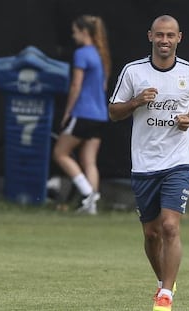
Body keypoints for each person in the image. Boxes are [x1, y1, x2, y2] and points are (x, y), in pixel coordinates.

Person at [109, 15, 189, 311]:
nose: (165, 40)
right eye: (160, 35)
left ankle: (166, 294)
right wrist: (137, 102)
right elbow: (114, 112)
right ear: (150, 36)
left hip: (179, 158)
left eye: (171, 35)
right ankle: (165, 280)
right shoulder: (133, 72)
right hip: (145, 162)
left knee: (169, 226)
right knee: (151, 234)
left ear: (180, 38)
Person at [53, 14, 111, 215]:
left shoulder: (82, 54)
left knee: (60, 153)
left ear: (84, 32)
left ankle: (88, 194)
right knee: (89, 161)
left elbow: (76, 85)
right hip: (100, 115)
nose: (73, 35)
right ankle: (91, 207)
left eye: (75, 31)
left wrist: (68, 111)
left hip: (83, 113)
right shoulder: (100, 54)